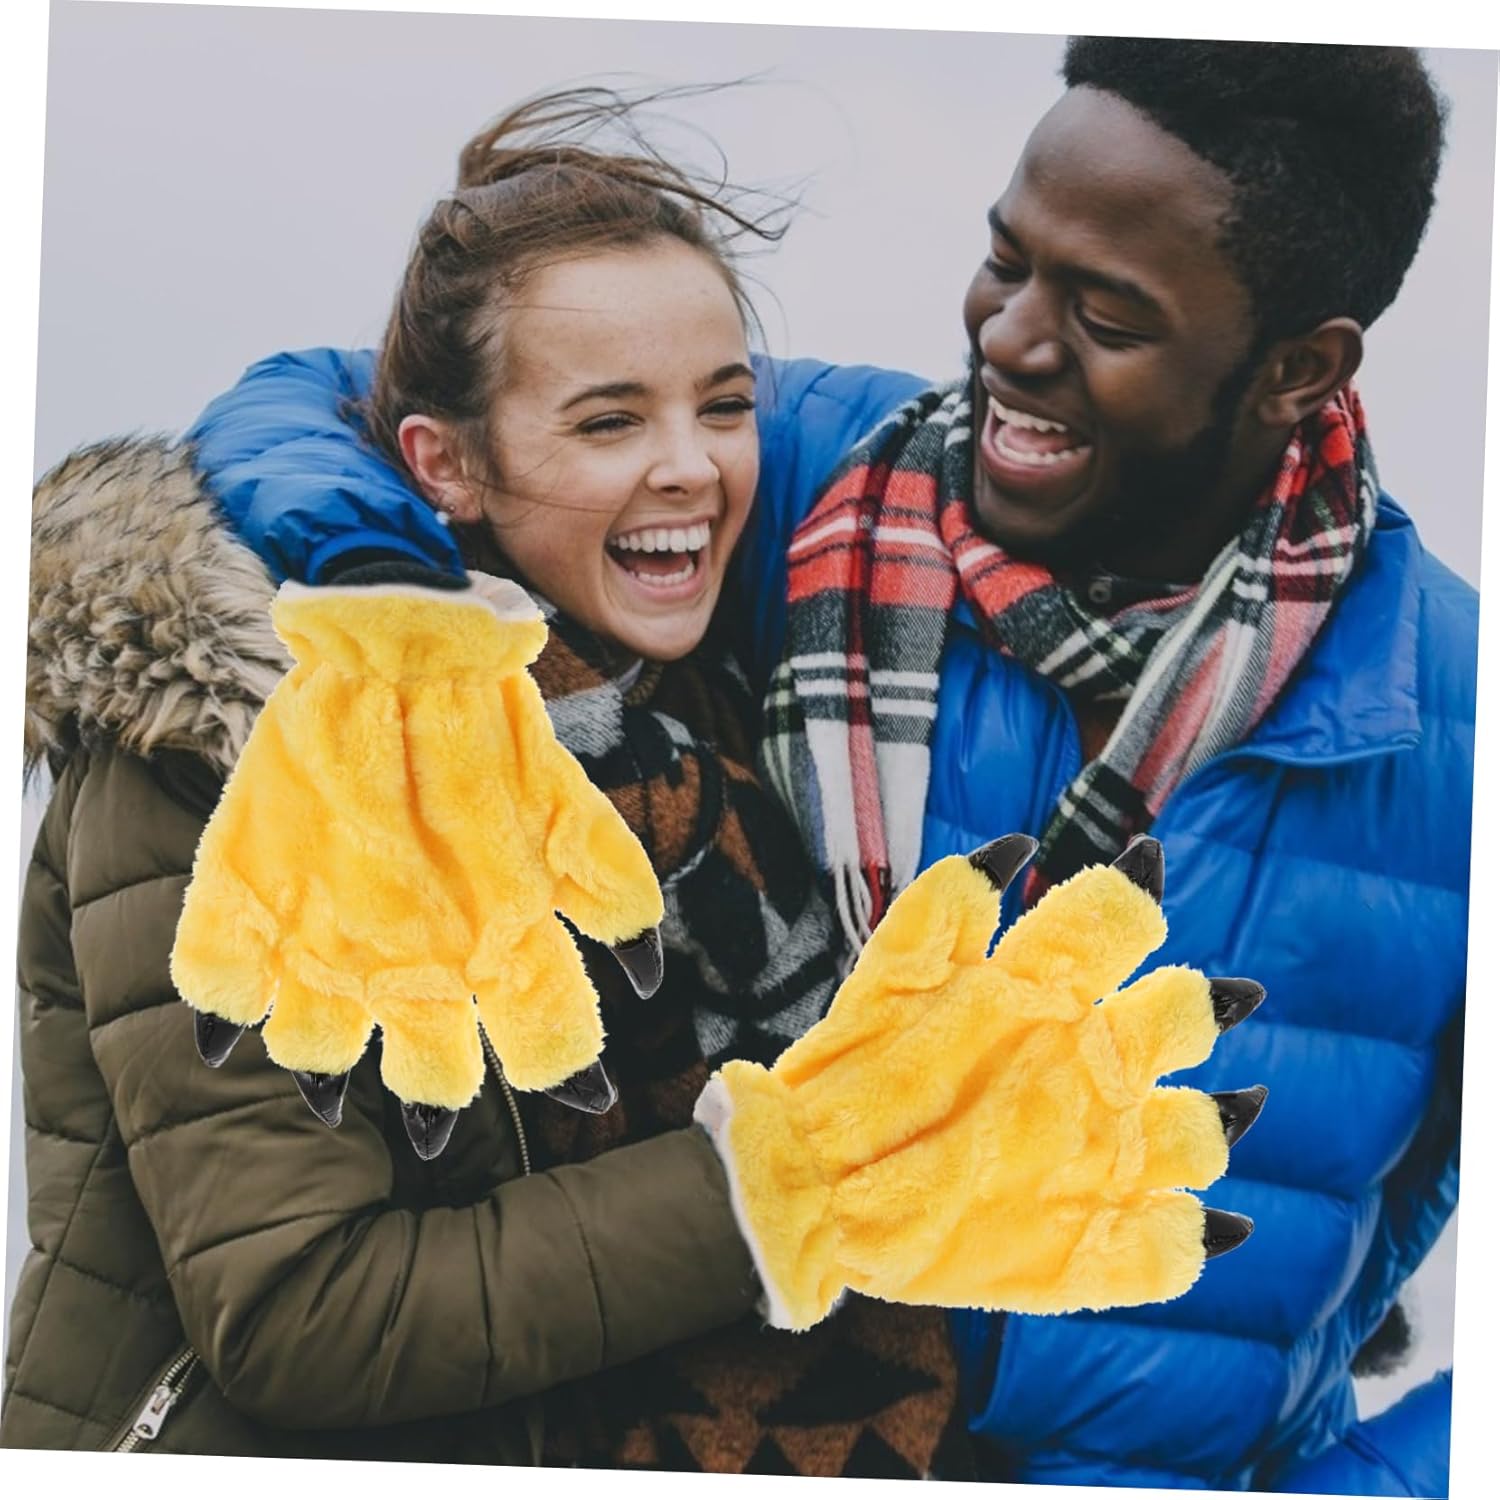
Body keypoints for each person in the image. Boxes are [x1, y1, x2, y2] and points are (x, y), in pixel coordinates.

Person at [166, 40, 1473, 1494]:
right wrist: (388, 604)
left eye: (1104, 315)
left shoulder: (1457, 723)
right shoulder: (826, 470)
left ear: (1299, 370)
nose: (1010, 341)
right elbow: (343, 400)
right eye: (1005, 261)